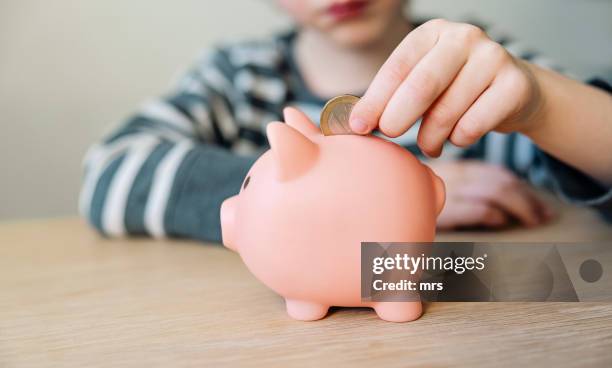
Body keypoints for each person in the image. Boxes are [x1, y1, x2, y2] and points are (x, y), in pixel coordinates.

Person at [79, 0, 612, 242]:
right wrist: (356, 200)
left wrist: (543, 105)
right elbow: (113, 171)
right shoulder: (240, 78)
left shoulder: (479, 65)